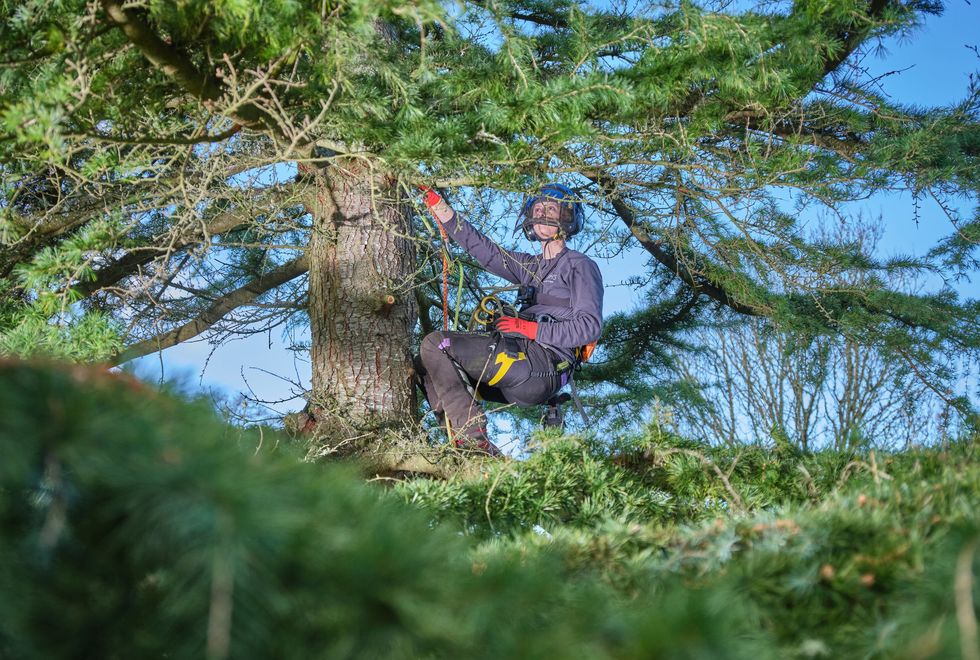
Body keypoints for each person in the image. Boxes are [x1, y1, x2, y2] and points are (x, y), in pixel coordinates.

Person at [414, 184, 604, 456]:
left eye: (550, 209)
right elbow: (486, 251)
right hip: (520, 367)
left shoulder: (579, 265)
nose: (542, 214)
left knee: (436, 344)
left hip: (543, 363)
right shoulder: (531, 266)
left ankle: (472, 437)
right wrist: (440, 208)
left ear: (567, 216)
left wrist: (527, 328)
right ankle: (466, 453)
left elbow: (589, 326)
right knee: (426, 364)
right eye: (537, 209)